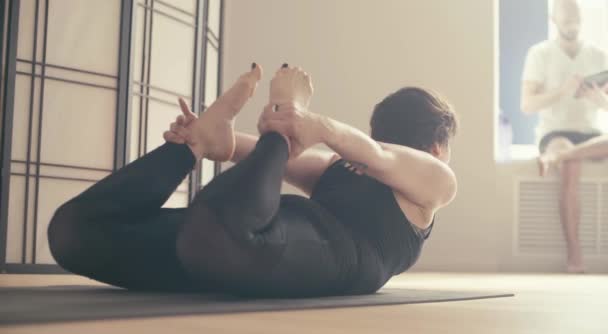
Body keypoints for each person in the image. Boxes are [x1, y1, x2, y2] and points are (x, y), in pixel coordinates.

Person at [46, 63, 457, 297]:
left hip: (308, 252)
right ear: (439, 144)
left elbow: (379, 154)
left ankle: (272, 130)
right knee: (74, 233)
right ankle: (184, 152)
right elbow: (263, 155)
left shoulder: (435, 181)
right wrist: (208, 140)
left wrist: (299, 116)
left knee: (213, 235)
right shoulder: (340, 165)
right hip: (237, 244)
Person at [520, 0, 608, 273]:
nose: (572, 21)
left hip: (590, 133)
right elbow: (527, 105)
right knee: (571, 165)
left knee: (569, 156)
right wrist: (562, 91)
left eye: (575, 16)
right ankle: (575, 254)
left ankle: (559, 157)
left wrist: (600, 100)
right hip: (555, 131)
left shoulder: (598, 54)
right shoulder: (540, 53)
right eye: (566, 16)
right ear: (554, 18)